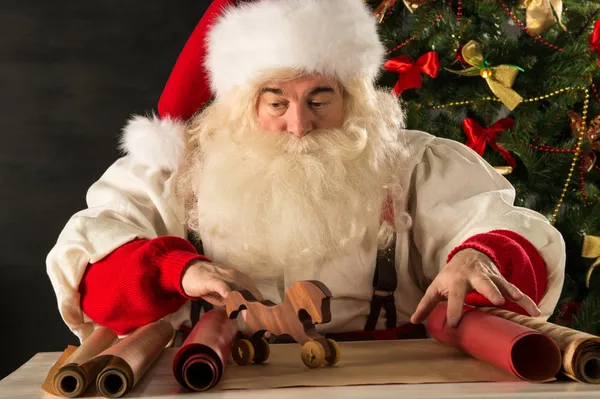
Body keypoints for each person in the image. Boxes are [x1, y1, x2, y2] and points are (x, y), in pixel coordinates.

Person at [47, 0, 565, 343]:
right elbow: (93, 274)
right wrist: (177, 271)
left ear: (353, 98)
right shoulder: (169, 174)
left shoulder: (415, 165)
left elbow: (507, 235)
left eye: (320, 99)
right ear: (240, 105)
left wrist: (478, 256)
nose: (301, 125)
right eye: (276, 104)